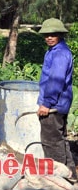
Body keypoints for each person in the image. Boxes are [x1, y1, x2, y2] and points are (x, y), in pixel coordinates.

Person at [36, 18, 76, 181]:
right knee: (60, 140)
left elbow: (55, 80)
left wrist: (46, 104)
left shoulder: (60, 54)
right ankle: (71, 174)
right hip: (60, 103)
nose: (49, 37)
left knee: (51, 141)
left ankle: (58, 178)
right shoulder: (55, 50)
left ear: (60, 34)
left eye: (53, 34)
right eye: (46, 35)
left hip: (54, 105)